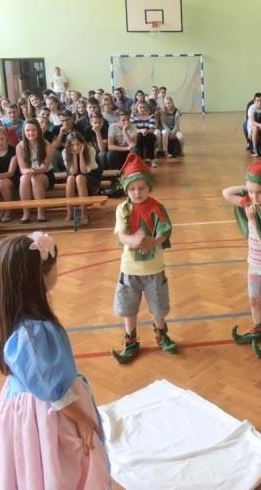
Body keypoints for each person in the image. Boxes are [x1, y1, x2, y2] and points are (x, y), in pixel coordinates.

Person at [0, 233, 111, 489]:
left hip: (22, 410)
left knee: (30, 468)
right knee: (61, 467)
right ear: (39, 278)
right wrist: (82, 419)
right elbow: (52, 391)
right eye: (55, 267)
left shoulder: (7, 321)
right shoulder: (34, 335)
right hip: (48, 414)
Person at [111, 154, 176, 364]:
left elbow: (165, 231)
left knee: (158, 307)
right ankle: (131, 340)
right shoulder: (123, 209)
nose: (137, 193)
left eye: (141, 188)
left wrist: (153, 242)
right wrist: (133, 239)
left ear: (149, 188)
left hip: (154, 269)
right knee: (129, 308)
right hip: (130, 269)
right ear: (126, 190)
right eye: (132, 189)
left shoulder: (157, 207)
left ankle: (161, 333)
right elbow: (121, 235)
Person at [223, 161, 261, 358]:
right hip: (254, 263)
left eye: (259, 192)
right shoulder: (251, 202)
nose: (253, 196)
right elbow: (226, 193)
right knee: (253, 300)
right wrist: (249, 186)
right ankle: (259, 328)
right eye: (251, 192)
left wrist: (251, 220)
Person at [17, 119, 55, 223]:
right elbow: (22, 168)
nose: (30, 133)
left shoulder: (46, 144)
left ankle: (40, 212)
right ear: (24, 132)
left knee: (35, 178)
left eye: (33, 130)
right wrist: (28, 171)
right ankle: (26, 212)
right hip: (29, 175)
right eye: (28, 130)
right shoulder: (20, 146)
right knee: (24, 178)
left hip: (45, 175)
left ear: (38, 130)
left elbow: (44, 167)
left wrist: (33, 171)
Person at [62, 131, 102, 222]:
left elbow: (84, 171)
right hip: (75, 179)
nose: (76, 147)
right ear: (69, 146)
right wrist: (74, 156)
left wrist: (80, 154)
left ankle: (84, 212)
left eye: (78, 144)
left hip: (91, 178)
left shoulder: (90, 149)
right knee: (70, 178)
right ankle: (69, 212)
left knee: (80, 178)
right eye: (72, 145)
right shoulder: (65, 152)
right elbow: (74, 171)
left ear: (83, 143)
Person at [130, 100, 158, 168]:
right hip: (137, 134)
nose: (142, 109)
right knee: (139, 137)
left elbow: (152, 129)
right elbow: (132, 129)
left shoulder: (151, 116)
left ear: (146, 108)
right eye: (140, 107)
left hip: (148, 134)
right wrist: (141, 130)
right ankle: (140, 160)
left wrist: (146, 131)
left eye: (144, 107)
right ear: (137, 108)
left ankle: (152, 160)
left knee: (150, 137)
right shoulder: (133, 116)